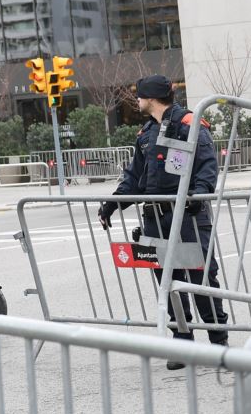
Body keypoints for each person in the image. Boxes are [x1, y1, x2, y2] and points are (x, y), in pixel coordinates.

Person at [98, 74, 229, 370]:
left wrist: (198, 195)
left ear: (152, 98)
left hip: (188, 215)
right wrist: (112, 205)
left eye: (140, 96)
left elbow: (207, 163)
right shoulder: (145, 133)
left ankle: (219, 342)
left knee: (201, 277)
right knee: (167, 282)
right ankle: (182, 343)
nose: (137, 101)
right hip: (155, 217)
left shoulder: (188, 124)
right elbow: (135, 177)